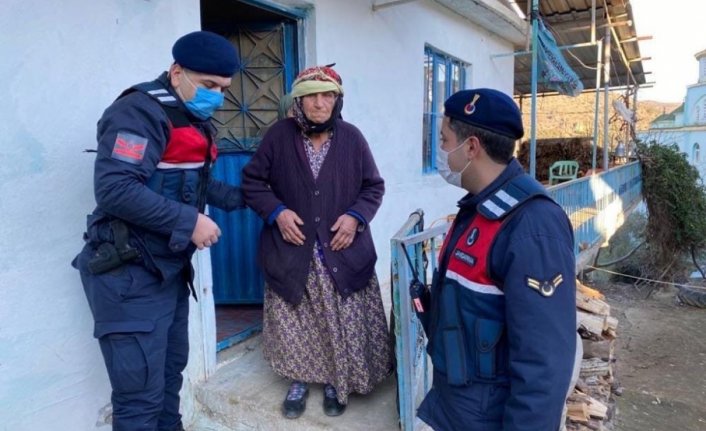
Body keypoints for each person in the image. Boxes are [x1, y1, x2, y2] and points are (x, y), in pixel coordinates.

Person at [71, 31, 244, 431]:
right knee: (139, 402)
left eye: (222, 89)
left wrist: (250, 196)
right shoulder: (138, 112)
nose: (216, 97)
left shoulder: (191, 118)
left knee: (168, 381)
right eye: (208, 86)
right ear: (177, 72)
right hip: (128, 275)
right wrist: (190, 222)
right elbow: (115, 188)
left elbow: (193, 183)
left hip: (165, 271)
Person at [416, 88, 579, 431]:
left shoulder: (532, 227)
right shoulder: (477, 208)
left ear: (471, 147)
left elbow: (543, 366)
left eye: (445, 140)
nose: (441, 151)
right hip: (455, 405)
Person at [242, 65, 392, 419]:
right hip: (294, 252)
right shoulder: (278, 136)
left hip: (340, 251)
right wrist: (276, 212)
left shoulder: (352, 138)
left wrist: (356, 217)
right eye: (311, 95)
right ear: (298, 100)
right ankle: (298, 381)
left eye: (327, 96)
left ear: (338, 101)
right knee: (297, 321)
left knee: (339, 319)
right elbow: (252, 183)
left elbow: (374, 186)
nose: (319, 103)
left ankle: (333, 382)